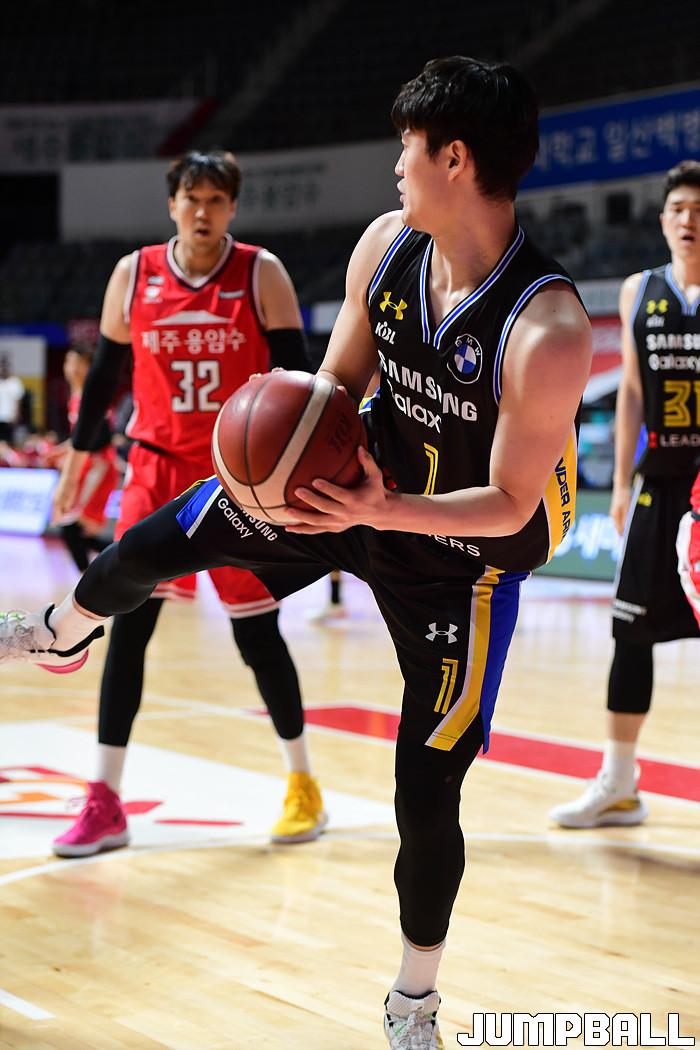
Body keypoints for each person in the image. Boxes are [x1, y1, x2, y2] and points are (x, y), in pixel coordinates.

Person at [0, 61, 591, 1048]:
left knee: (426, 792)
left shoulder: (547, 327)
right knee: (157, 538)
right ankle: (62, 631)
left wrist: (385, 506)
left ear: (454, 159)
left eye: (406, 148)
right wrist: (281, 461)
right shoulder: (385, 244)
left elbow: (510, 502)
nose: (394, 166)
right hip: (355, 487)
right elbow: (335, 386)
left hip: (465, 558)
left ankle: (413, 1003)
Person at [46, 150, 327, 856]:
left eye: (216, 200)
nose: (203, 212)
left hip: (238, 482)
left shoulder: (261, 273)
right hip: (156, 467)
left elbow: (299, 379)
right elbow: (105, 375)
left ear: (232, 208)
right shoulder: (133, 273)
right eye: (192, 199)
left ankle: (303, 783)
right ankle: (104, 800)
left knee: (257, 636)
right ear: (172, 204)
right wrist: (77, 460)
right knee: (128, 631)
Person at [550, 160, 700, 830]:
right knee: (630, 632)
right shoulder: (640, 289)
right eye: (678, 210)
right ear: (662, 220)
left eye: (699, 211)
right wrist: (617, 485)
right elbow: (633, 392)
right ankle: (619, 783)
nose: (689, 221)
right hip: (659, 480)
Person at [51, 343, 120, 572]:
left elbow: (100, 437)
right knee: (79, 530)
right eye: (67, 362)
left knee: (72, 525)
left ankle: (89, 578)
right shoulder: (76, 395)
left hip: (99, 468)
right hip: (88, 466)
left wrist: (70, 453)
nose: (70, 368)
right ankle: (128, 564)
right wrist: (63, 450)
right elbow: (81, 437)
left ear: (86, 366)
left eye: (75, 363)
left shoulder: (92, 395)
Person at [0, 355, 25, 445]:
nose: (3, 369)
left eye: (5, 367)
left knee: (9, 442)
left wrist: (16, 415)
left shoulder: (15, 382)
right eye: (1, 367)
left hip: (9, 418)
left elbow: (18, 401)